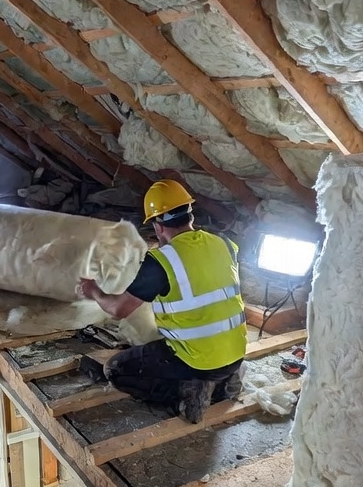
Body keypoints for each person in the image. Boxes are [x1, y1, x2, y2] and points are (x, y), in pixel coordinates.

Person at [76, 179, 246, 423]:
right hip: (235, 354)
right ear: (190, 214)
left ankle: (185, 395)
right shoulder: (225, 244)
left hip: (197, 360)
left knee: (116, 370)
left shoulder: (162, 261)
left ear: (157, 226)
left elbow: (118, 309)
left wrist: (93, 290)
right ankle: (224, 382)